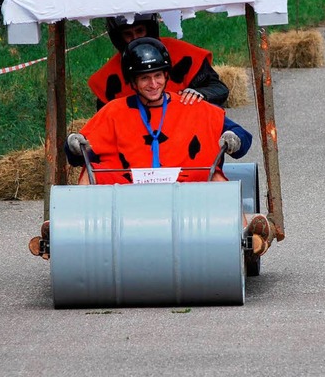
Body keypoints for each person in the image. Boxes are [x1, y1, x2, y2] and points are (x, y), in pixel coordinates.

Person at [30, 37, 274, 259]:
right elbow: (81, 153)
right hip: (129, 186)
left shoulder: (191, 104)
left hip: (185, 183)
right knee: (89, 171)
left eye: (158, 76)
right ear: (133, 82)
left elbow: (242, 137)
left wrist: (234, 138)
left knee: (219, 177)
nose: (153, 83)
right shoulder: (114, 110)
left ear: (166, 76)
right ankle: (65, 233)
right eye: (145, 78)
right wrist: (73, 145)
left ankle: (246, 239)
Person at [87, 13, 230, 110]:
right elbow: (103, 121)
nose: (135, 38)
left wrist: (200, 93)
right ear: (118, 38)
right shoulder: (107, 78)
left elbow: (219, 89)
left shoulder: (185, 55)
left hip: (186, 133)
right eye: (128, 34)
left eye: (139, 31)